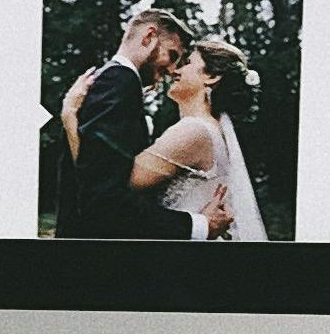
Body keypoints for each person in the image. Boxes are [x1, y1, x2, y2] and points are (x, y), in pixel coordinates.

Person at [67, 31, 264, 241]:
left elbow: (106, 185)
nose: (175, 70)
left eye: (187, 62)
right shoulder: (210, 130)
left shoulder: (193, 131)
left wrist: (70, 117)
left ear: (211, 77)